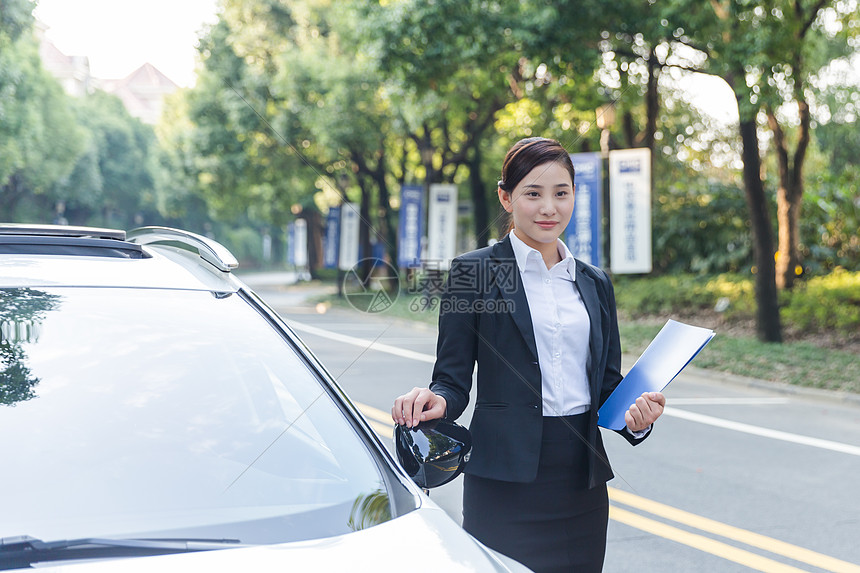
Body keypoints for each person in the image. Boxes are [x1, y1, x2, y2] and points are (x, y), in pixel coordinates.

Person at [391, 137, 665, 573]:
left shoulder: (595, 282)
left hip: (581, 482)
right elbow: (452, 379)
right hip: (503, 481)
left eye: (561, 193)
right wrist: (436, 401)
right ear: (507, 196)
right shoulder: (474, 272)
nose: (549, 208)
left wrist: (637, 416)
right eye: (532, 194)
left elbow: (608, 385)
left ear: (575, 194)